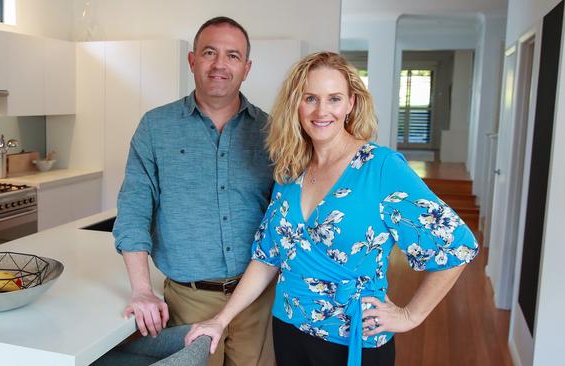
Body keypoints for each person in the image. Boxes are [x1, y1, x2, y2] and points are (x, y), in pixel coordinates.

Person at [185, 52, 479, 366]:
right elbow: (268, 257)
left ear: (351, 103)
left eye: (334, 98)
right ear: (296, 104)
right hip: (289, 328)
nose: (322, 111)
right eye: (310, 98)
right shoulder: (291, 169)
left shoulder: (380, 168)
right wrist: (222, 319)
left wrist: (410, 315)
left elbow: (457, 244)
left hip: (354, 338)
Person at [112, 16, 276, 366]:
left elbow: (288, 219)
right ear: (192, 60)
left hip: (257, 301)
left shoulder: (272, 133)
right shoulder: (155, 127)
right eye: (209, 52)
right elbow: (134, 209)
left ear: (246, 68)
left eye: (233, 56)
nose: (220, 64)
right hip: (188, 302)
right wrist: (141, 289)